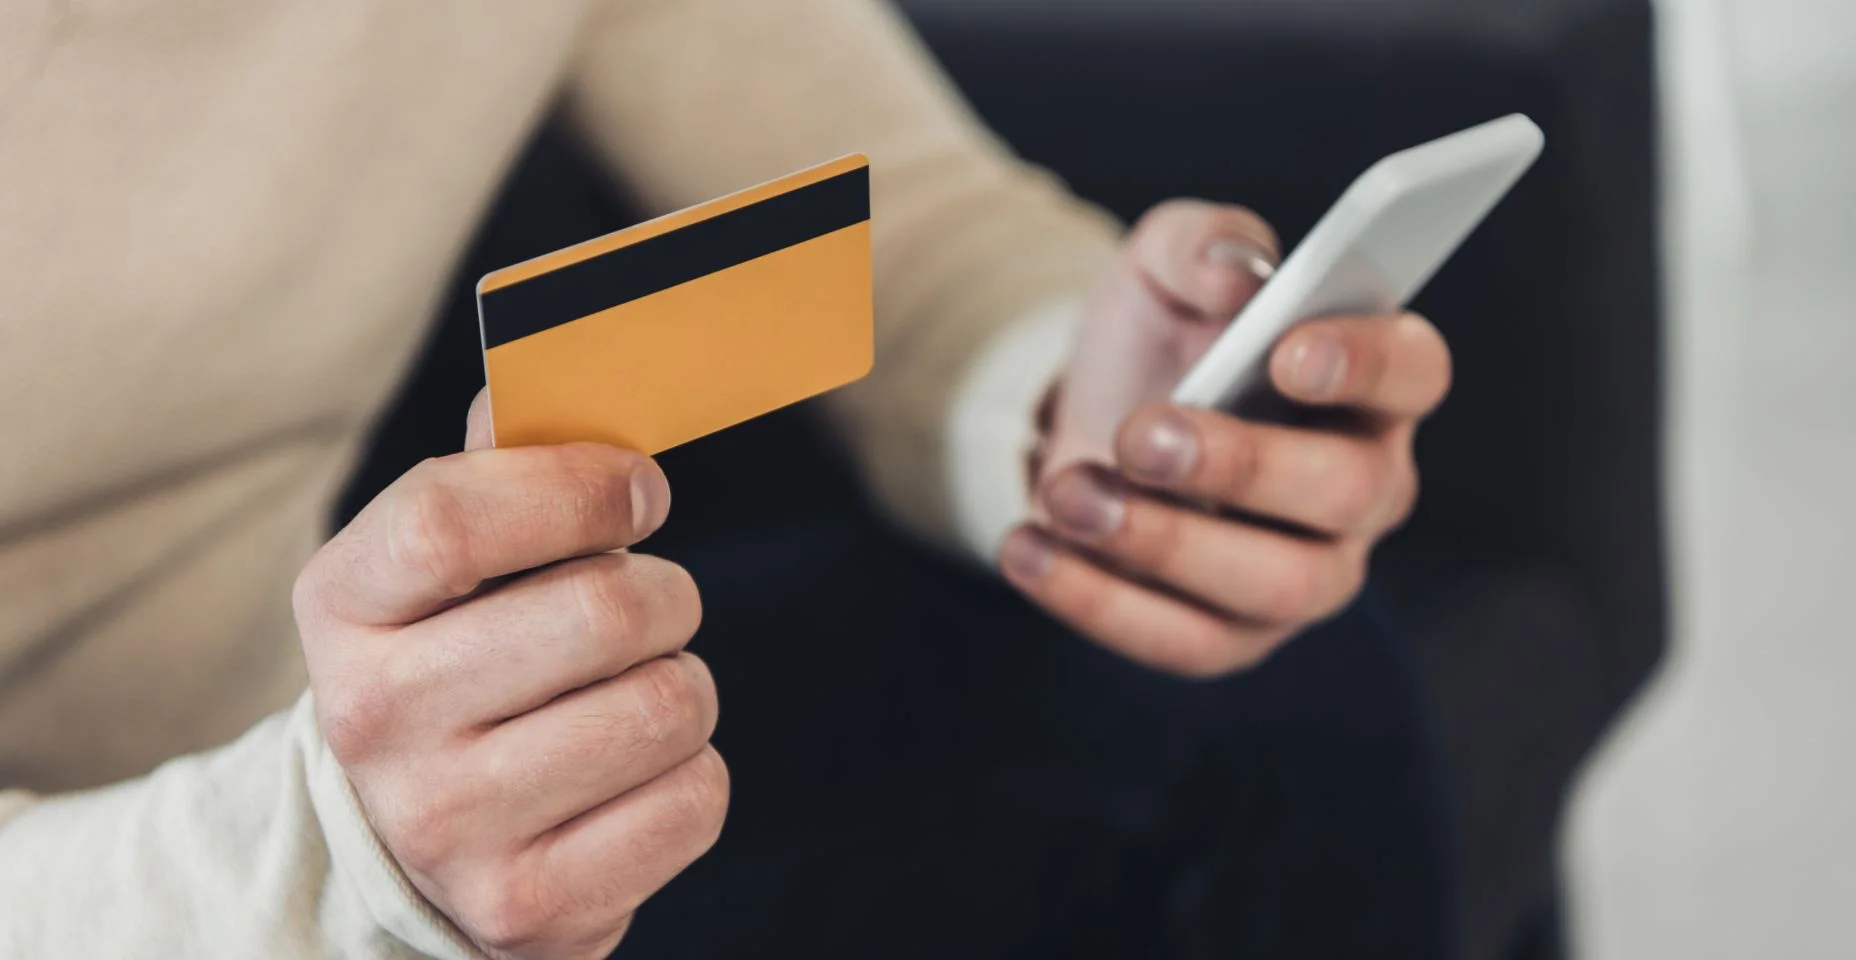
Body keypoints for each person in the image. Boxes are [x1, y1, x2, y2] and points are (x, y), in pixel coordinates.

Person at [0, 1, 1453, 957]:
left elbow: (907, 224)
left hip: (310, 765)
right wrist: (328, 861)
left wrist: (1094, 413)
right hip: (148, 888)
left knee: (1270, 711)